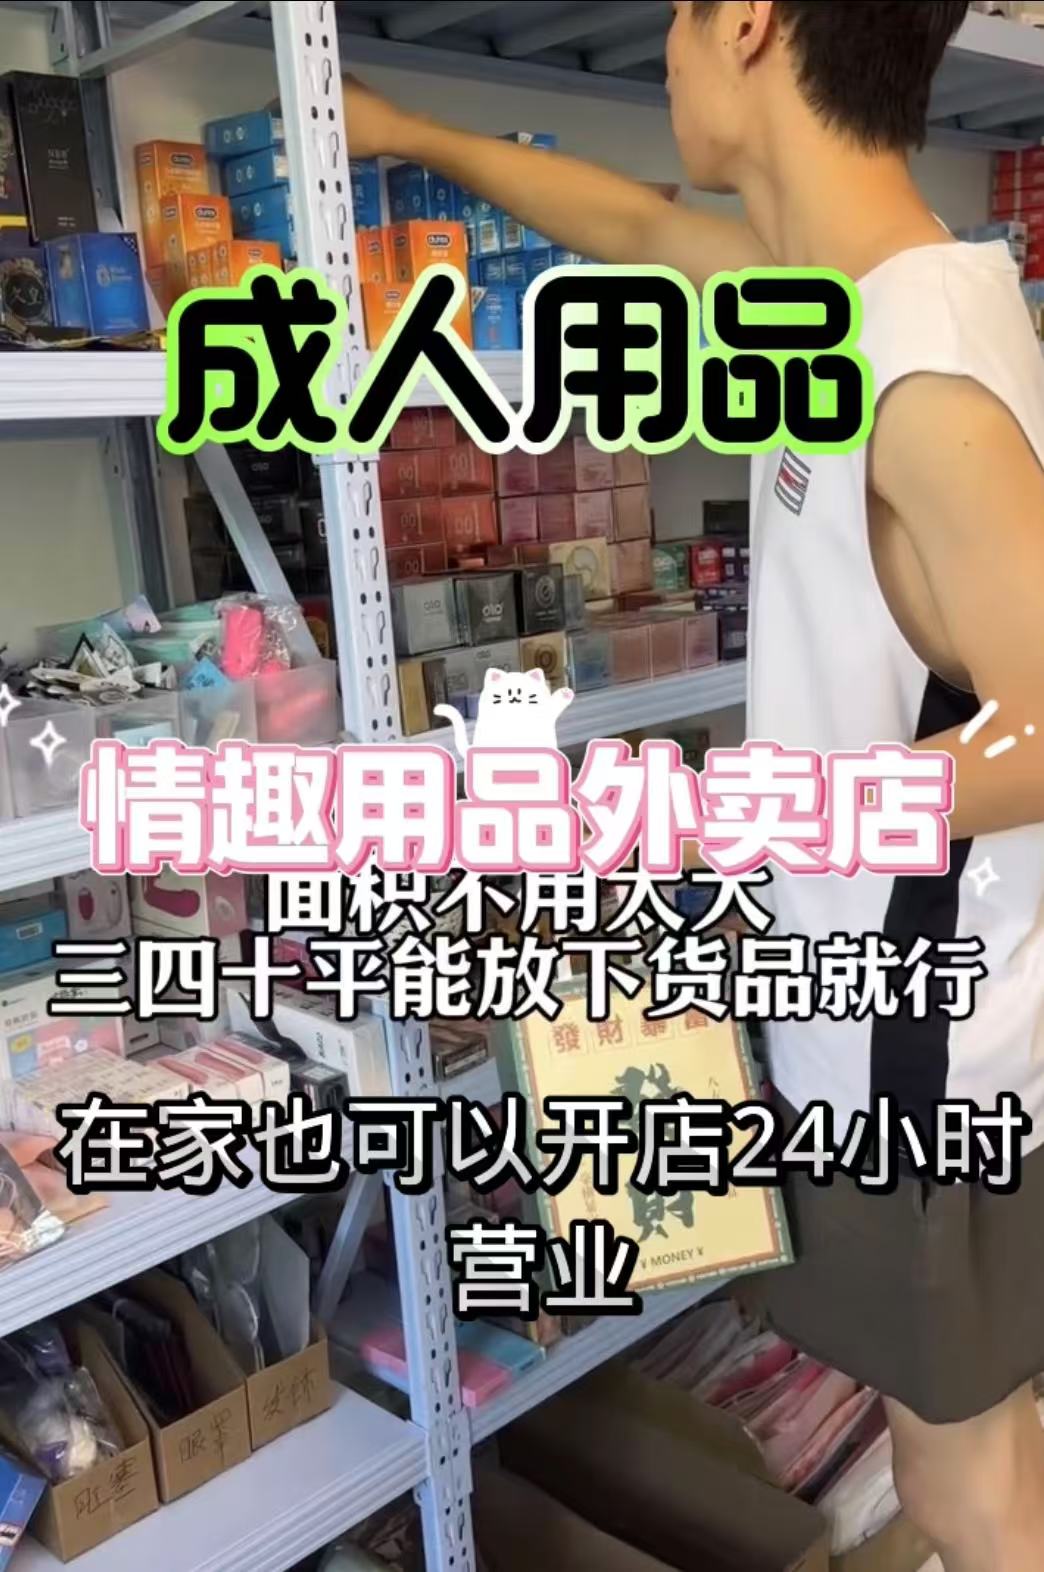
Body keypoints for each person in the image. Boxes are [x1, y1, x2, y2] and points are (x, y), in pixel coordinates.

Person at [345, 4, 1044, 1567]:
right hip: (914, 1022)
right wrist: (407, 137)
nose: (667, 40)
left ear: (747, 24)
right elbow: (646, 227)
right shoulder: (862, 304)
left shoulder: (920, 382)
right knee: (985, 1451)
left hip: (927, 1062)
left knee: (965, 1488)